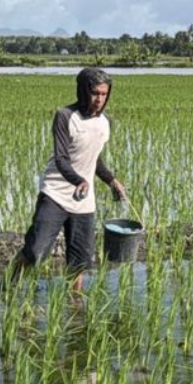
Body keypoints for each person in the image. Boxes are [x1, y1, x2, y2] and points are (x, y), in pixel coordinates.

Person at [13, 67, 126, 289]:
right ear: (83, 91)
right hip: (55, 192)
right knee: (36, 251)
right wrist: (78, 180)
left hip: (83, 199)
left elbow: (94, 159)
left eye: (104, 94)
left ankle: (75, 306)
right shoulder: (65, 116)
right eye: (95, 93)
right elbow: (62, 158)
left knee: (79, 262)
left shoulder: (104, 122)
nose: (99, 100)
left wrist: (112, 180)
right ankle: (10, 283)